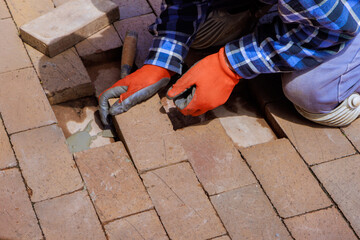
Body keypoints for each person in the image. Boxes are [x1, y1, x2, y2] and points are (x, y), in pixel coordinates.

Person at [99, 0, 360, 127]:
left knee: (313, 92)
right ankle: (284, 16)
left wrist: (229, 65)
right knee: (202, 35)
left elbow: (336, 28)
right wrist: (162, 60)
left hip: (342, 18)